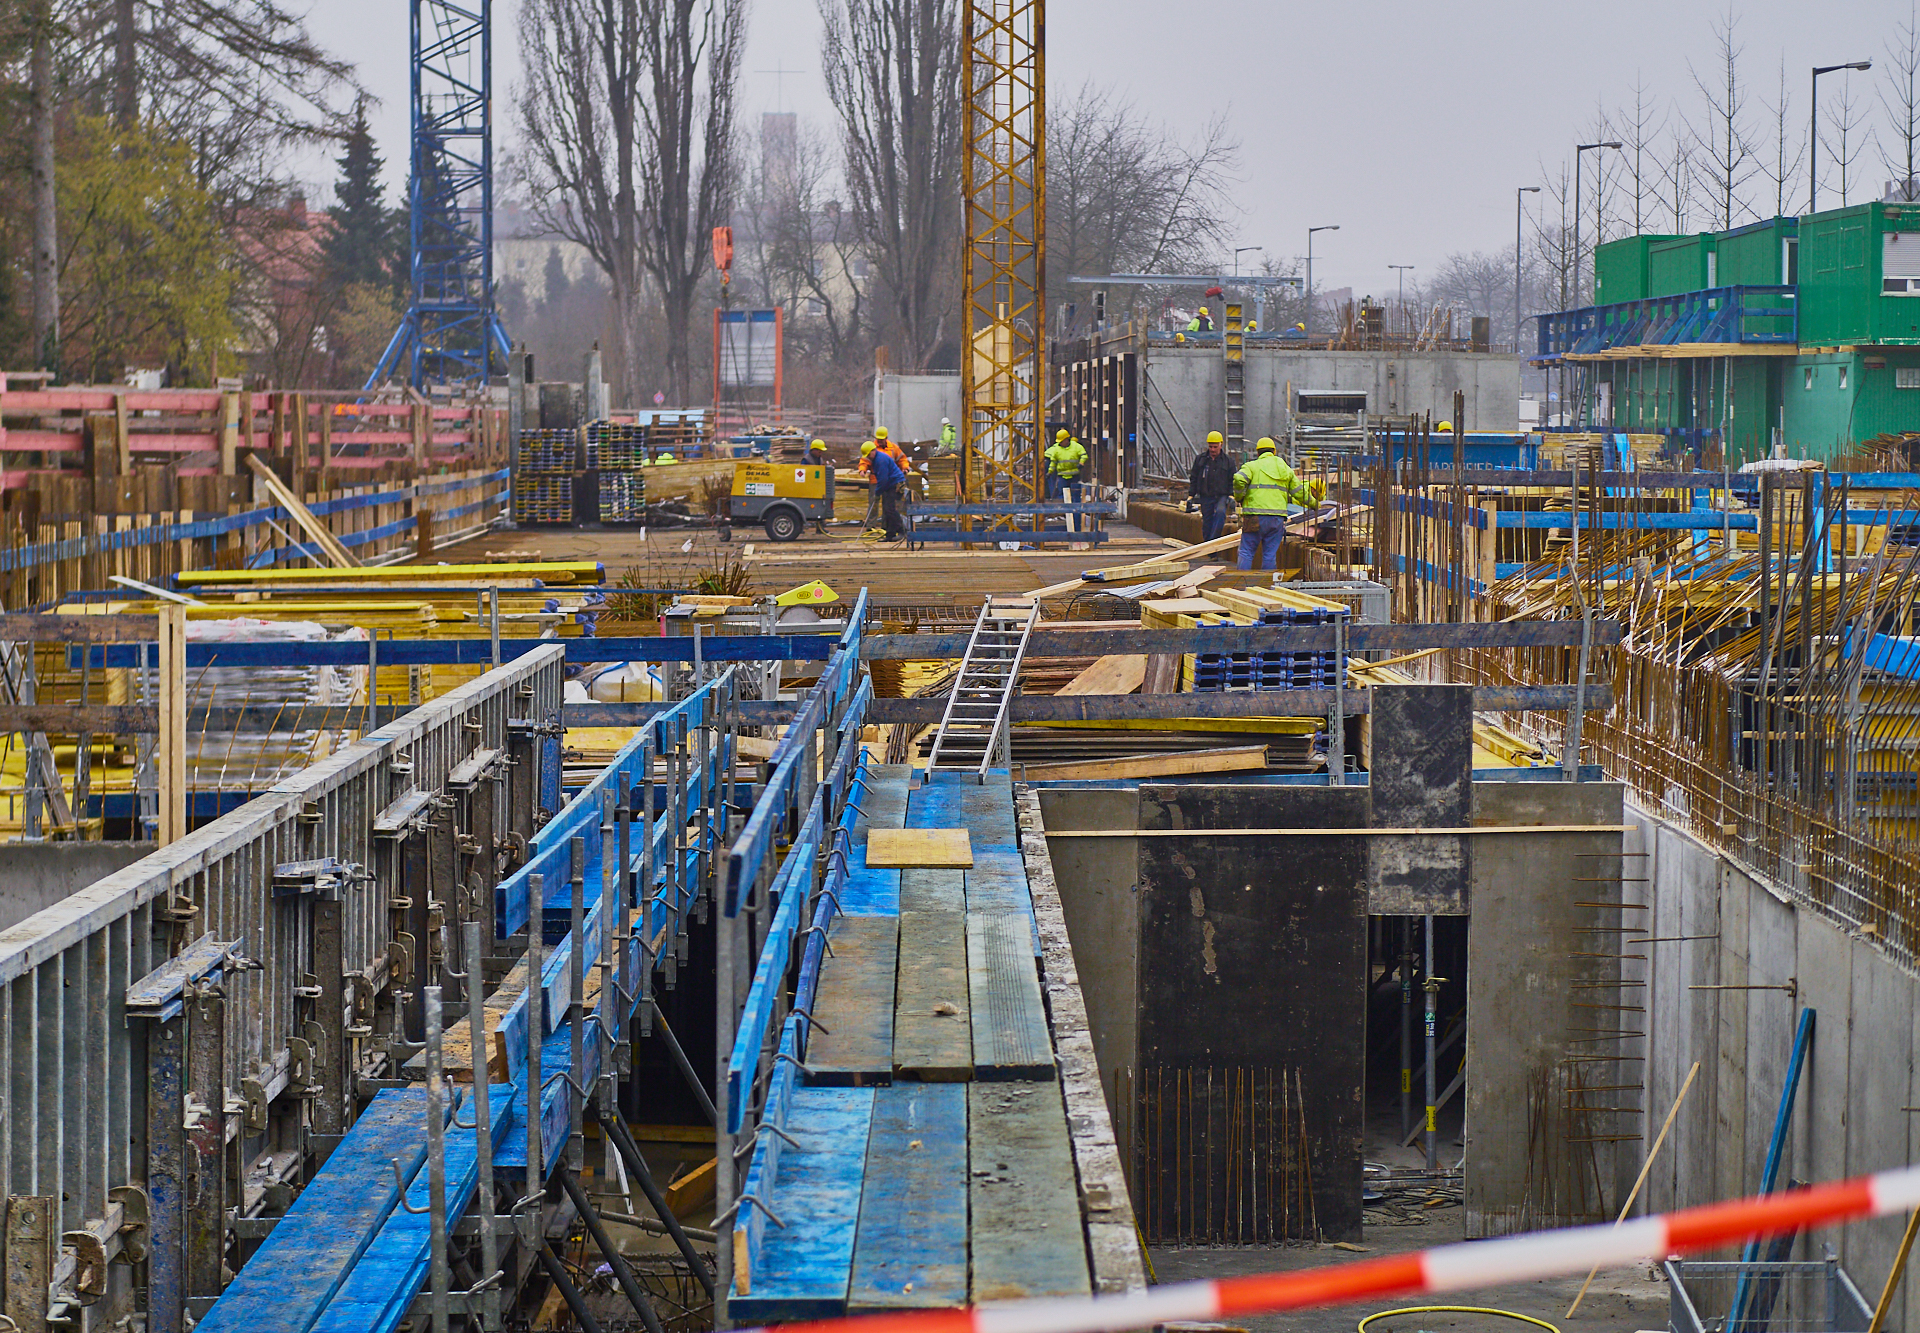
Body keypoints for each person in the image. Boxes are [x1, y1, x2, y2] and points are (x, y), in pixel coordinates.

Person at [1231, 436, 1316, 572]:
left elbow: (1239, 478)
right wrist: (1314, 504)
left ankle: (1242, 583)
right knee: (1269, 555)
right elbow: (1299, 492)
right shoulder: (1284, 468)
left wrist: (1239, 496)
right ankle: (1267, 585)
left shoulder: (1252, 466)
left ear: (1258, 453)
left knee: (1246, 552)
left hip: (1254, 517)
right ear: (1274, 452)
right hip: (1276, 519)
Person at [1186, 430, 1236, 542]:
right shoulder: (1201, 460)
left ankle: (1213, 544)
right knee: (1207, 522)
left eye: (1215, 447)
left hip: (1221, 495)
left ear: (1221, 445)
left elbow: (1232, 480)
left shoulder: (1228, 461)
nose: (1212, 450)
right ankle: (1208, 545)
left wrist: (1231, 496)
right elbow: (1194, 478)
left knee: (1220, 514)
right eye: (1210, 447)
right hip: (1206, 495)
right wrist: (1190, 496)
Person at [868, 440, 908, 540]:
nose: (868, 457)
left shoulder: (880, 460)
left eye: (869, 454)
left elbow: (883, 479)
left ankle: (902, 531)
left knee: (890, 509)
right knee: (887, 509)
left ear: (873, 451)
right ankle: (890, 534)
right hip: (889, 485)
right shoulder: (876, 458)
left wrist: (877, 492)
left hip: (896, 484)